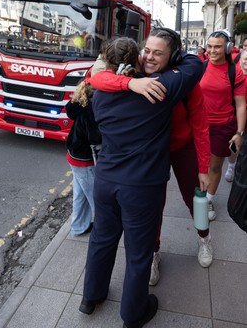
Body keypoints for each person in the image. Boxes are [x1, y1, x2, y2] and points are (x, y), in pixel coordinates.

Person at [79, 36, 203, 328]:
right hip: (141, 186)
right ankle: (134, 314)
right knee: (139, 252)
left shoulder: (100, 93)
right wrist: (171, 59)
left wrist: (124, 79)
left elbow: (100, 77)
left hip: (106, 180)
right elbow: (195, 65)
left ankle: (90, 297)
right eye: (145, 52)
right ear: (136, 59)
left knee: (101, 240)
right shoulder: (159, 89)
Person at [200, 29, 246, 220]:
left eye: (217, 47)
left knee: (214, 166)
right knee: (199, 165)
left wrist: (240, 133)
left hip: (222, 127)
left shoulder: (235, 72)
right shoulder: (199, 67)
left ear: (227, 48)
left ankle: (208, 199)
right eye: (209, 46)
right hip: (199, 126)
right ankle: (199, 195)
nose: (212, 51)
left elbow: (241, 104)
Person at [65, 80, 101, 236]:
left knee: (80, 196)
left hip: (74, 156)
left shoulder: (80, 105)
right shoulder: (91, 112)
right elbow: (96, 139)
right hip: (85, 161)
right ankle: (102, 230)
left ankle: (79, 226)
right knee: (96, 198)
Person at [224, 49, 247, 182]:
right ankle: (231, 165)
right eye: (245, 58)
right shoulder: (234, 73)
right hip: (235, 114)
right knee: (235, 141)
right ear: (240, 59)